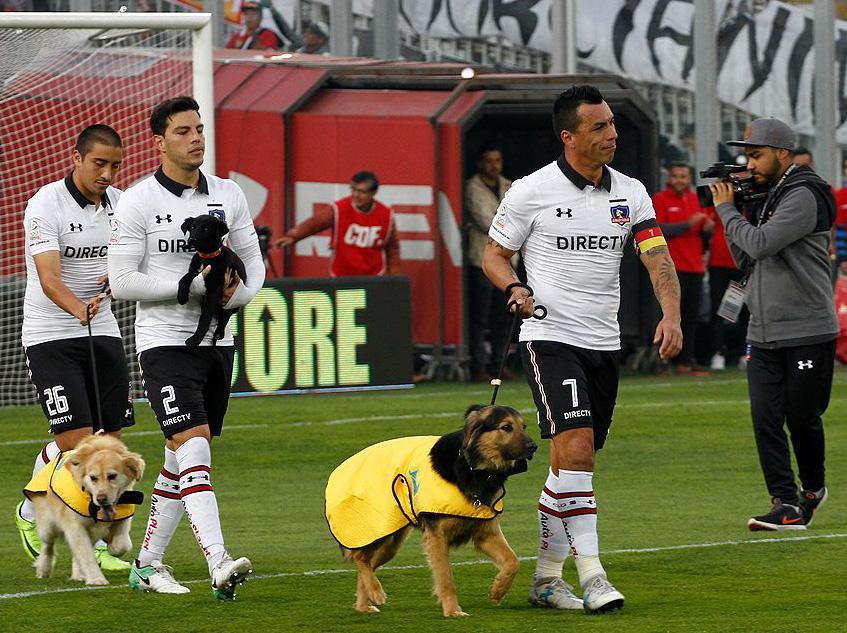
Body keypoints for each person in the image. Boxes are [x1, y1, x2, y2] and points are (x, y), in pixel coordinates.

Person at [484, 85, 682, 613]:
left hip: (603, 341)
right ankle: (593, 575)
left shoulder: (632, 193)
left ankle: (547, 579)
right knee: (578, 453)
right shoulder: (531, 191)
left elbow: (657, 258)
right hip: (550, 337)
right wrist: (513, 287)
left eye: (613, 124)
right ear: (568, 136)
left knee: (566, 467)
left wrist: (671, 313)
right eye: (599, 127)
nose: (612, 134)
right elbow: (494, 255)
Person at [109, 96, 265, 598]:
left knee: (183, 455)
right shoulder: (137, 202)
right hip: (164, 343)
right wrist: (195, 289)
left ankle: (147, 563)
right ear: (159, 141)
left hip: (219, 342)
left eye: (199, 129)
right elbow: (122, 282)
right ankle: (218, 561)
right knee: (193, 441)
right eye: (182, 131)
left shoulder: (229, 193)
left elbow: (255, 267)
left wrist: (232, 296)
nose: (196, 138)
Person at [15, 124, 133, 572]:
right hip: (51, 333)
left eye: (114, 165)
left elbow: (130, 259)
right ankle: (32, 509)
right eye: (99, 163)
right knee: (79, 447)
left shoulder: (121, 204)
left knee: (111, 449)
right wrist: (77, 309)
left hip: (102, 329)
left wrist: (117, 280)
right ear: (77, 158)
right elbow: (48, 278)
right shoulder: (46, 204)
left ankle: (101, 539)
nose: (107, 173)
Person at [710, 118, 837, 531]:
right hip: (762, 329)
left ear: (783, 154)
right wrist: (737, 210)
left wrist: (728, 209)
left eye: (757, 154)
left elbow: (761, 242)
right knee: (765, 418)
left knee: (801, 417)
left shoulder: (802, 194)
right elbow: (747, 256)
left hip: (806, 327)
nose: (749, 164)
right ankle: (784, 502)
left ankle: (813, 490)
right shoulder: (771, 194)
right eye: (748, 154)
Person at [273, 171, 399, 277]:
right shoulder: (339, 209)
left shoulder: (386, 215)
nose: (356, 195)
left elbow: (393, 250)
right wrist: (293, 236)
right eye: (353, 190)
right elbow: (316, 223)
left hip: (373, 277)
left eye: (361, 191)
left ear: (373, 193)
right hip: (342, 276)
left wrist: (395, 279)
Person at [652, 162, 714, 375]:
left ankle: (685, 361)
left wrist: (706, 229)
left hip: (695, 266)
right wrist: (688, 224)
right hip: (671, 268)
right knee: (667, 316)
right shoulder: (660, 200)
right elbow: (657, 229)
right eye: (676, 176)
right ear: (669, 178)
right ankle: (663, 362)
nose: (679, 180)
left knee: (690, 317)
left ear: (689, 179)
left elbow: (704, 235)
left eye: (683, 176)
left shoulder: (697, 199)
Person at [465, 145, 513, 381]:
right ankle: (479, 365)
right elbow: (487, 221)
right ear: (480, 163)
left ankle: (498, 365)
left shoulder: (509, 184)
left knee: (503, 317)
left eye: (498, 160)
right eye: (489, 161)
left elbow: (521, 218)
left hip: (509, 260)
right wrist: (511, 223)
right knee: (479, 317)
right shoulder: (472, 187)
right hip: (481, 259)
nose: (494, 165)